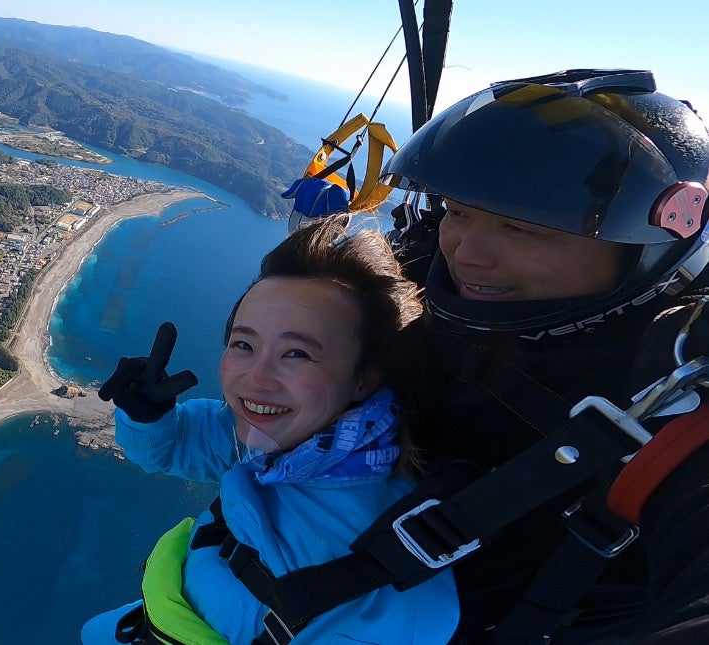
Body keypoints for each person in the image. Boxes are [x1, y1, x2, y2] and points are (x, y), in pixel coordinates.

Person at [369, 68, 709, 642]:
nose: (467, 255)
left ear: (644, 251)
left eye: (524, 230)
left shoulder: (673, 394)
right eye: (457, 210)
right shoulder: (409, 286)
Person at [83, 217, 459, 645]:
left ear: (365, 380)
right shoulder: (285, 439)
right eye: (243, 345)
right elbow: (172, 447)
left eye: (297, 353)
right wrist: (149, 416)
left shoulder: (387, 578)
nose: (255, 380)